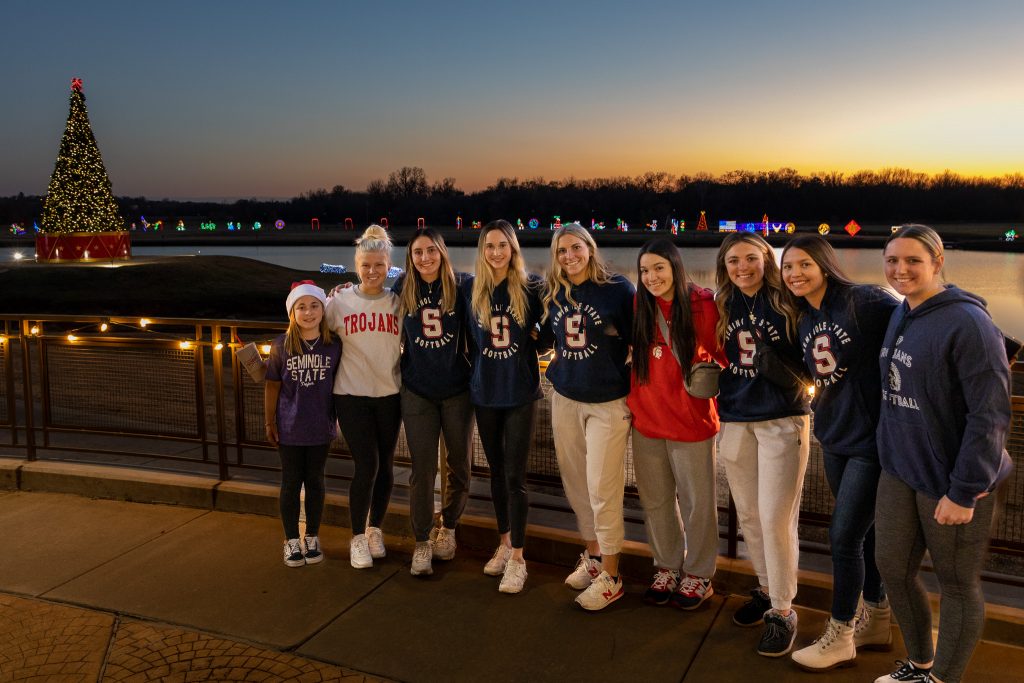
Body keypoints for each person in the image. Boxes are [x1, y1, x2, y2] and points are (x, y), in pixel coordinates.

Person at [872, 224, 1012, 683]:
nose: (900, 269)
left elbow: (989, 415)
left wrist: (965, 491)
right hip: (902, 470)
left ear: (937, 262)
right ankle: (920, 665)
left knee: (956, 583)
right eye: (893, 260)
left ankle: (943, 679)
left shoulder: (969, 324)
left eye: (913, 260)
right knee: (892, 567)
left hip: (955, 481)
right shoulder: (902, 312)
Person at [779, 235, 898, 671]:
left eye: (804, 265)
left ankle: (842, 632)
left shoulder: (862, 300)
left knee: (842, 538)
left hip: (870, 442)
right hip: (834, 437)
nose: (795, 274)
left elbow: (919, 317)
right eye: (788, 267)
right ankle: (878, 617)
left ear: (825, 264)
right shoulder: (805, 313)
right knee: (861, 534)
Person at [714, 231, 810, 656]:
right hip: (736, 418)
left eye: (751, 259)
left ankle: (784, 610)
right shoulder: (721, 304)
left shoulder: (788, 299)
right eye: (733, 261)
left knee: (776, 517)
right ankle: (769, 590)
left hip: (781, 420)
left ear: (766, 260)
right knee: (751, 516)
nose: (742, 268)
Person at [627, 238, 727, 610]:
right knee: (656, 502)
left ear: (675, 267)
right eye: (644, 270)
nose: (651, 277)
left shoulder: (704, 305)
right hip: (647, 420)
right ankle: (666, 566)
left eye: (659, 268)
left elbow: (726, 355)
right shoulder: (640, 303)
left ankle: (699, 574)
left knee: (698, 504)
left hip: (692, 422)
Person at [542, 222, 635, 611]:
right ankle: (594, 557)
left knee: (603, 487)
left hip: (608, 402)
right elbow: (545, 336)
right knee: (577, 484)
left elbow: (640, 339)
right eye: (562, 251)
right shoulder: (553, 292)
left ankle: (613, 576)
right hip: (566, 396)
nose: (569, 256)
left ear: (590, 248)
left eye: (576, 248)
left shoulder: (618, 289)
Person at [463, 219, 545, 594]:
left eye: (503, 245)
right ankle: (504, 541)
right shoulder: (471, 289)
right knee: (495, 473)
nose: (496, 252)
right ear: (483, 250)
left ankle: (518, 558)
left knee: (515, 477)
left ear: (513, 249)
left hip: (519, 393)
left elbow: (552, 334)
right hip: (485, 392)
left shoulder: (532, 288)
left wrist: (539, 336)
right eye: (490, 246)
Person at [395, 227, 474, 576]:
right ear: (410, 258)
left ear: (442, 252)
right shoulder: (402, 289)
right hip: (417, 391)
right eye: (417, 252)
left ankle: (450, 527)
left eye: (431, 251)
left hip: (458, 389)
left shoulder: (463, 286)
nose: (425, 258)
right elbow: (368, 297)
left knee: (458, 464)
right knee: (423, 470)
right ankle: (422, 540)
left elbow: (502, 286)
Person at [325, 225, 402, 570]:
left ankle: (375, 529)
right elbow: (308, 327)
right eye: (366, 265)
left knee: (385, 466)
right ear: (356, 265)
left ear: (389, 266)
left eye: (379, 265)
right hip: (351, 396)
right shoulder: (339, 302)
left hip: (389, 394)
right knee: (366, 464)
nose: (372, 272)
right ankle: (357, 536)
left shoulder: (397, 303)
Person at [264, 281, 341, 567]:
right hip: (289, 427)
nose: (308, 312)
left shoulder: (334, 345)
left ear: (323, 309)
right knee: (291, 482)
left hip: (320, 426)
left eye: (314, 306)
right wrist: (269, 421)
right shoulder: (280, 346)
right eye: (301, 307)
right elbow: (272, 386)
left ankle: (312, 535)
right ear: (292, 313)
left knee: (316, 481)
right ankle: (290, 539)